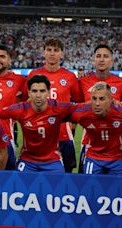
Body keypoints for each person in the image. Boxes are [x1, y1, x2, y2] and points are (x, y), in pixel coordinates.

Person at [0, 75, 76, 172]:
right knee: (19, 185)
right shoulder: (20, 109)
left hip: (52, 160)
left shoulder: (58, 108)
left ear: (48, 92)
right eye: (34, 91)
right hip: (27, 160)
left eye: (42, 91)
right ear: (28, 93)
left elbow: (81, 110)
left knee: (57, 185)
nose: (38, 95)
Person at [25, 38, 83, 173]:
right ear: (43, 53)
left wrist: (72, 124)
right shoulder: (33, 74)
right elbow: (23, 102)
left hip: (63, 134)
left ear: (62, 54)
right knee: (34, 174)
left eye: (56, 50)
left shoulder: (69, 76)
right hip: (37, 134)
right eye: (49, 50)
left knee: (66, 173)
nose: (52, 53)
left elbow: (79, 102)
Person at [78, 44, 122, 173]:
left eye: (106, 56)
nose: (102, 60)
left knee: (119, 188)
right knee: (88, 186)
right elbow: (78, 108)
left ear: (112, 61)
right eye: (98, 56)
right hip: (89, 144)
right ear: (93, 60)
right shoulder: (83, 81)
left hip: (115, 147)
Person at [71, 82, 122, 175]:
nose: (97, 103)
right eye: (94, 99)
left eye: (102, 99)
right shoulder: (83, 112)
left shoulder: (121, 110)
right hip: (93, 157)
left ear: (110, 99)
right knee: (91, 188)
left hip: (117, 158)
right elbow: (63, 113)